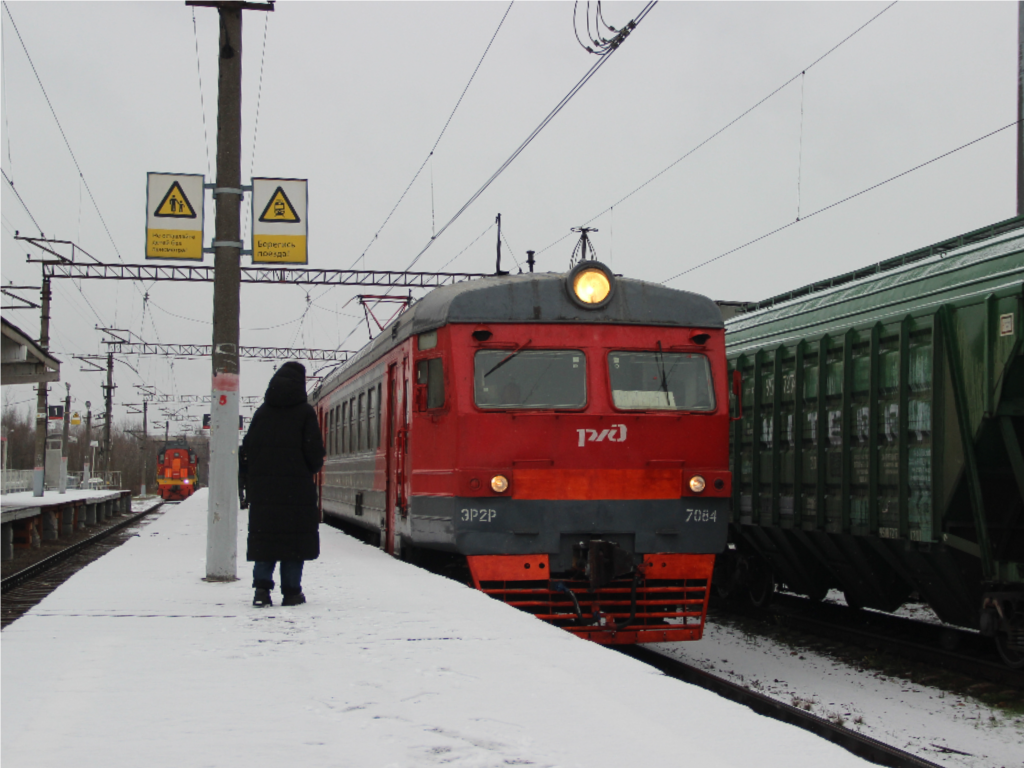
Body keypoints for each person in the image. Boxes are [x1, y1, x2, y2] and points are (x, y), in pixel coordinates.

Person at [238, 361, 325, 607]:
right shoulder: (305, 413)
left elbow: (248, 451)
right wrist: (305, 470)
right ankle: (291, 592)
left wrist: (255, 480)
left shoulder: (261, 413)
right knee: (293, 543)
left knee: (265, 541)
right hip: (296, 494)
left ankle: (261, 592)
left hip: (265, 494)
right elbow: (314, 456)